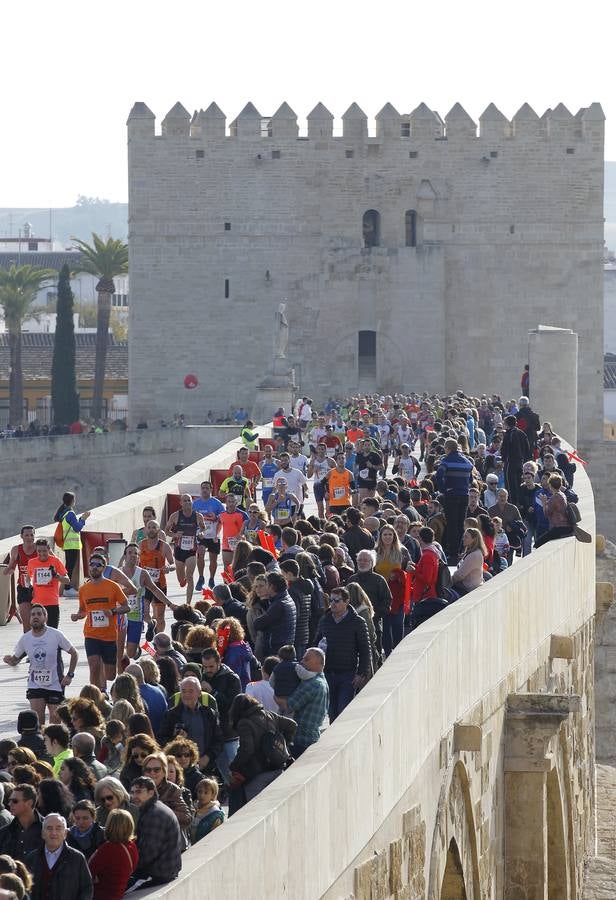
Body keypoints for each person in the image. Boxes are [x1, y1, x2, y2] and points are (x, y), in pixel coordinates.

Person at [4, 605, 78, 726]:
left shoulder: (56, 635)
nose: (36, 617)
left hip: (55, 683)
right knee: (38, 722)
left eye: (39, 614)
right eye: (33, 614)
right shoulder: (25, 638)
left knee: (55, 723)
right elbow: (15, 660)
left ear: (45, 617)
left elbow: (74, 653)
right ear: (29, 619)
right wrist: (9, 660)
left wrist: (70, 675)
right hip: (35, 684)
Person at [227, 694, 296, 816]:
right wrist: (285, 745)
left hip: (258, 772)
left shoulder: (244, 723)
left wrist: (234, 766)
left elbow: (247, 749)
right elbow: (292, 725)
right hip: (278, 767)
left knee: (254, 810)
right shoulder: (269, 715)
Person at [71, 553, 129, 691]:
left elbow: (127, 607)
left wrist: (113, 611)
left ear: (104, 568)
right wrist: (78, 616)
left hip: (109, 636)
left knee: (110, 675)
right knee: (94, 666)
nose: (94, 567)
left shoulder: (113, 586)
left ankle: (122, 656)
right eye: (92, 564)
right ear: (89, 566)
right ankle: (96, 695)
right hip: (91, 634)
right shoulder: (83, 589)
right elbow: (83, 610)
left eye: (98, 565)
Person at [316, 586, 371, 721]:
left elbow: (365, 650)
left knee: (343, 711)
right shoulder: (325, 620)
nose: (333, 604)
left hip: (347, 675)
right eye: (331, 600)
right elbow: (315, 643)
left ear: (346, 602)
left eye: (337, 600)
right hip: (328, 673)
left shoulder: (357, 622)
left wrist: (361, 673)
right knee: (332, 713)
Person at [160, 676, 223, 775]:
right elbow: (161, 740)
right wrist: (175, 740)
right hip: (179, 769)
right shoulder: (171, 715)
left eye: (190, 691)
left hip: (206, 768)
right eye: (184, 691)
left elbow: (218, 740)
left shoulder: (210, 714)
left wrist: (208, 757)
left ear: (199, 693)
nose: (186, 695)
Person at [128, 776, 182, 888]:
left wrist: (127, 868)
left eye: (138, 792)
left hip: (158, 875)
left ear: (151, 793)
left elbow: (148, 854)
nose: (134, 796)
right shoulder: (153, 808)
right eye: (132, 792)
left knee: (120, 892)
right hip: (162, 871)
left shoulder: (154, 814)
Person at [25, 812, 93, 900]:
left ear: (65, 833)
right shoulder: (32, 858)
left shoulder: (77, 858)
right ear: (42, 834)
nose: (54, 833)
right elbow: (25, 888)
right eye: (49, 828)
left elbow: (86, 889)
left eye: (58, 828)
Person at [279, 647, 329, 757]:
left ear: (318, 663)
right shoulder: (321, 681)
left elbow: (288, 705)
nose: (301, 662)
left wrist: (276, 696)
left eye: (306, 659)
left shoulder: (312, 684)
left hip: (301, 741)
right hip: (311, 738)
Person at [435, 438, 474, 563]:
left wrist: (443, 490)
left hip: (451, 495)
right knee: (461, 524)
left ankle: (453, 553)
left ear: (447, 448)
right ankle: (461, 549)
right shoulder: (467, 461)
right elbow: (471, 479)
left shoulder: (446, 461)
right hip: (464, 495)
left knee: (452, 524)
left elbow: (438, 475)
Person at [88, 809, 138, 900]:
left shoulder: (107, 848)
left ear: (110, 825)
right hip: (119, 894)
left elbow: (89, 873)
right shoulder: (132, 846)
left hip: (101, 895)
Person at [165, 494, 206, 604]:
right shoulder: (175, 516)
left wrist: (201, 533)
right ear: (181, 503)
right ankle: (183, 580)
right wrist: (175, 534)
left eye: (189, 500)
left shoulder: (198, 516)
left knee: (190, 576)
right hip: (179, 550)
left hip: (191, 550)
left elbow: (203, 528)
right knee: (181, 579)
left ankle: (188, 603)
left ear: (192, 502)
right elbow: (167, 531)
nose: (187, 502)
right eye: (185, 501)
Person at [139, 519, 174, 638]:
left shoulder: (164, 546)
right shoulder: (141, 545)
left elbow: (173, 563)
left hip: (160, 584)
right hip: (145, 584)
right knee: (144, 612)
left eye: (154, 527)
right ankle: (150, 624)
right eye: (149, 527)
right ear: (145, 530)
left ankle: (158, 640)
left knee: (160, 616)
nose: (151, 530)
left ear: (158, 530)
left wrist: (169, 567)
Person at [26, 540, 70, 630]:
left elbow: (67, 580)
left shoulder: (55, 561)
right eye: (39, 551)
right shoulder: (31, 562)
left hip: (52, 603)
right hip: (37, 604)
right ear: (36, 550)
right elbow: (28, 578)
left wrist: (56, 575)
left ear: (49, 549)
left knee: (52, 632)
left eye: (44, 551)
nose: (42, 554)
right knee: (37, 632)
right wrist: (29, 587)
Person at [53, 491, 91, 595]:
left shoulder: (64, 513)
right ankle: (67, 589)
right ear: (73, 501)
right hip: (72, 545)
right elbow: (77, 528)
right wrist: (83, 519)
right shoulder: (70, 513)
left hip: (68, 544)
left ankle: (67, 588)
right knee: (69, 567)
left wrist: (80, 519)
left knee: (69, 566)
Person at [254, 572, 297, 656]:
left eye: (266, 584)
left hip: (276, 649)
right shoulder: (287, 598)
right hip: (285, 646)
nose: (266, 588)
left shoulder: (278, 605)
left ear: (272, 586)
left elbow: (258, 624)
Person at [193, 480, 225, 590]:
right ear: (200, 489)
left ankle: (211, 579)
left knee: (213, 559)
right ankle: (201, 577)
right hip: (201, 534)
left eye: (207, 488)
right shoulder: (195, 503)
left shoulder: (217, 503)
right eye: (203, 488)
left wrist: (216, 517)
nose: (205, 490)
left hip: (213, 535)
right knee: (200, 553)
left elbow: (223, 517)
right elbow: (191, 517)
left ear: (211, 489)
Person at [6, 526, 37, 633]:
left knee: (40, 624)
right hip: (24, 589)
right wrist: (6, 571)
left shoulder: (40, 548)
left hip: (40, 589)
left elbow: (54, 561)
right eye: (26, 535)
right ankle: (28, 643)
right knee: (27, 625)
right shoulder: (16, 550)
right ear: (21, 536)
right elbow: (11, 567)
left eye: (32, 535)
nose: (29, 538)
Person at [0, 784, 42, 861]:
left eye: (14, 801)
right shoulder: (4, 833)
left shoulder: (47, 828)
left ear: (29, 803)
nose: (9, 804)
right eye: (9, 800)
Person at [535, 475, 574, 547]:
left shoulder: (554, 498)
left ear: (550, 485)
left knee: (537, 544)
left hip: (558, 527)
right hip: (566, 526)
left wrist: (544, 503)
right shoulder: (562, 494)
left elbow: (546, 513)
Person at [501, 414, 531, 507]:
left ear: (507, 424)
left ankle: (512, 505)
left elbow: (504, 449)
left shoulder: (509, 434)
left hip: (510, 463)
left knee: (510, 485)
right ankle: (520, 504)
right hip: (520, 463)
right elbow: (527, 449)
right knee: (519, 484)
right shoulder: (522, 433)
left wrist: (503, 459)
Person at [451, 528, 487, 596]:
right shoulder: (472, 552)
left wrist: (448, 581)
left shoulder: (474, 555)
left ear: (474, 539)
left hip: (468, 589)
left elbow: (459, 575)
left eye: (466, 537)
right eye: (463, 536)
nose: (463, 539)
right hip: (468, 587)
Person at [411, 527, 440, 603]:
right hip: (425, 595)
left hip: (424, 596)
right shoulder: (432, 552)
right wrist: (415, 566)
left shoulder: (427, 555)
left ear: (420, 538)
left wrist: (413, 571)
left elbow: (427, 579)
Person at [191, 777, 225, 843]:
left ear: (213, 795)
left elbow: (214, 838)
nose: (202, 795)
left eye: (206, 793)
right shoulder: (192, 807)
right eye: (200, 791)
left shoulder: (215, 814)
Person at [325, 451, 357, 516]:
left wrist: (352, 491)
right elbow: (322, 483)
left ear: (345, 460)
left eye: (343, 458)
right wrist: (327, 492)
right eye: (339, 458)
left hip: (345, 503)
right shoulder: (330, 473)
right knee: (335, 521)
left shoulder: (349, 474)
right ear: (336, 461)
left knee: (345, 521)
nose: (341, 460)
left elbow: (354, 490)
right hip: (333, 504)